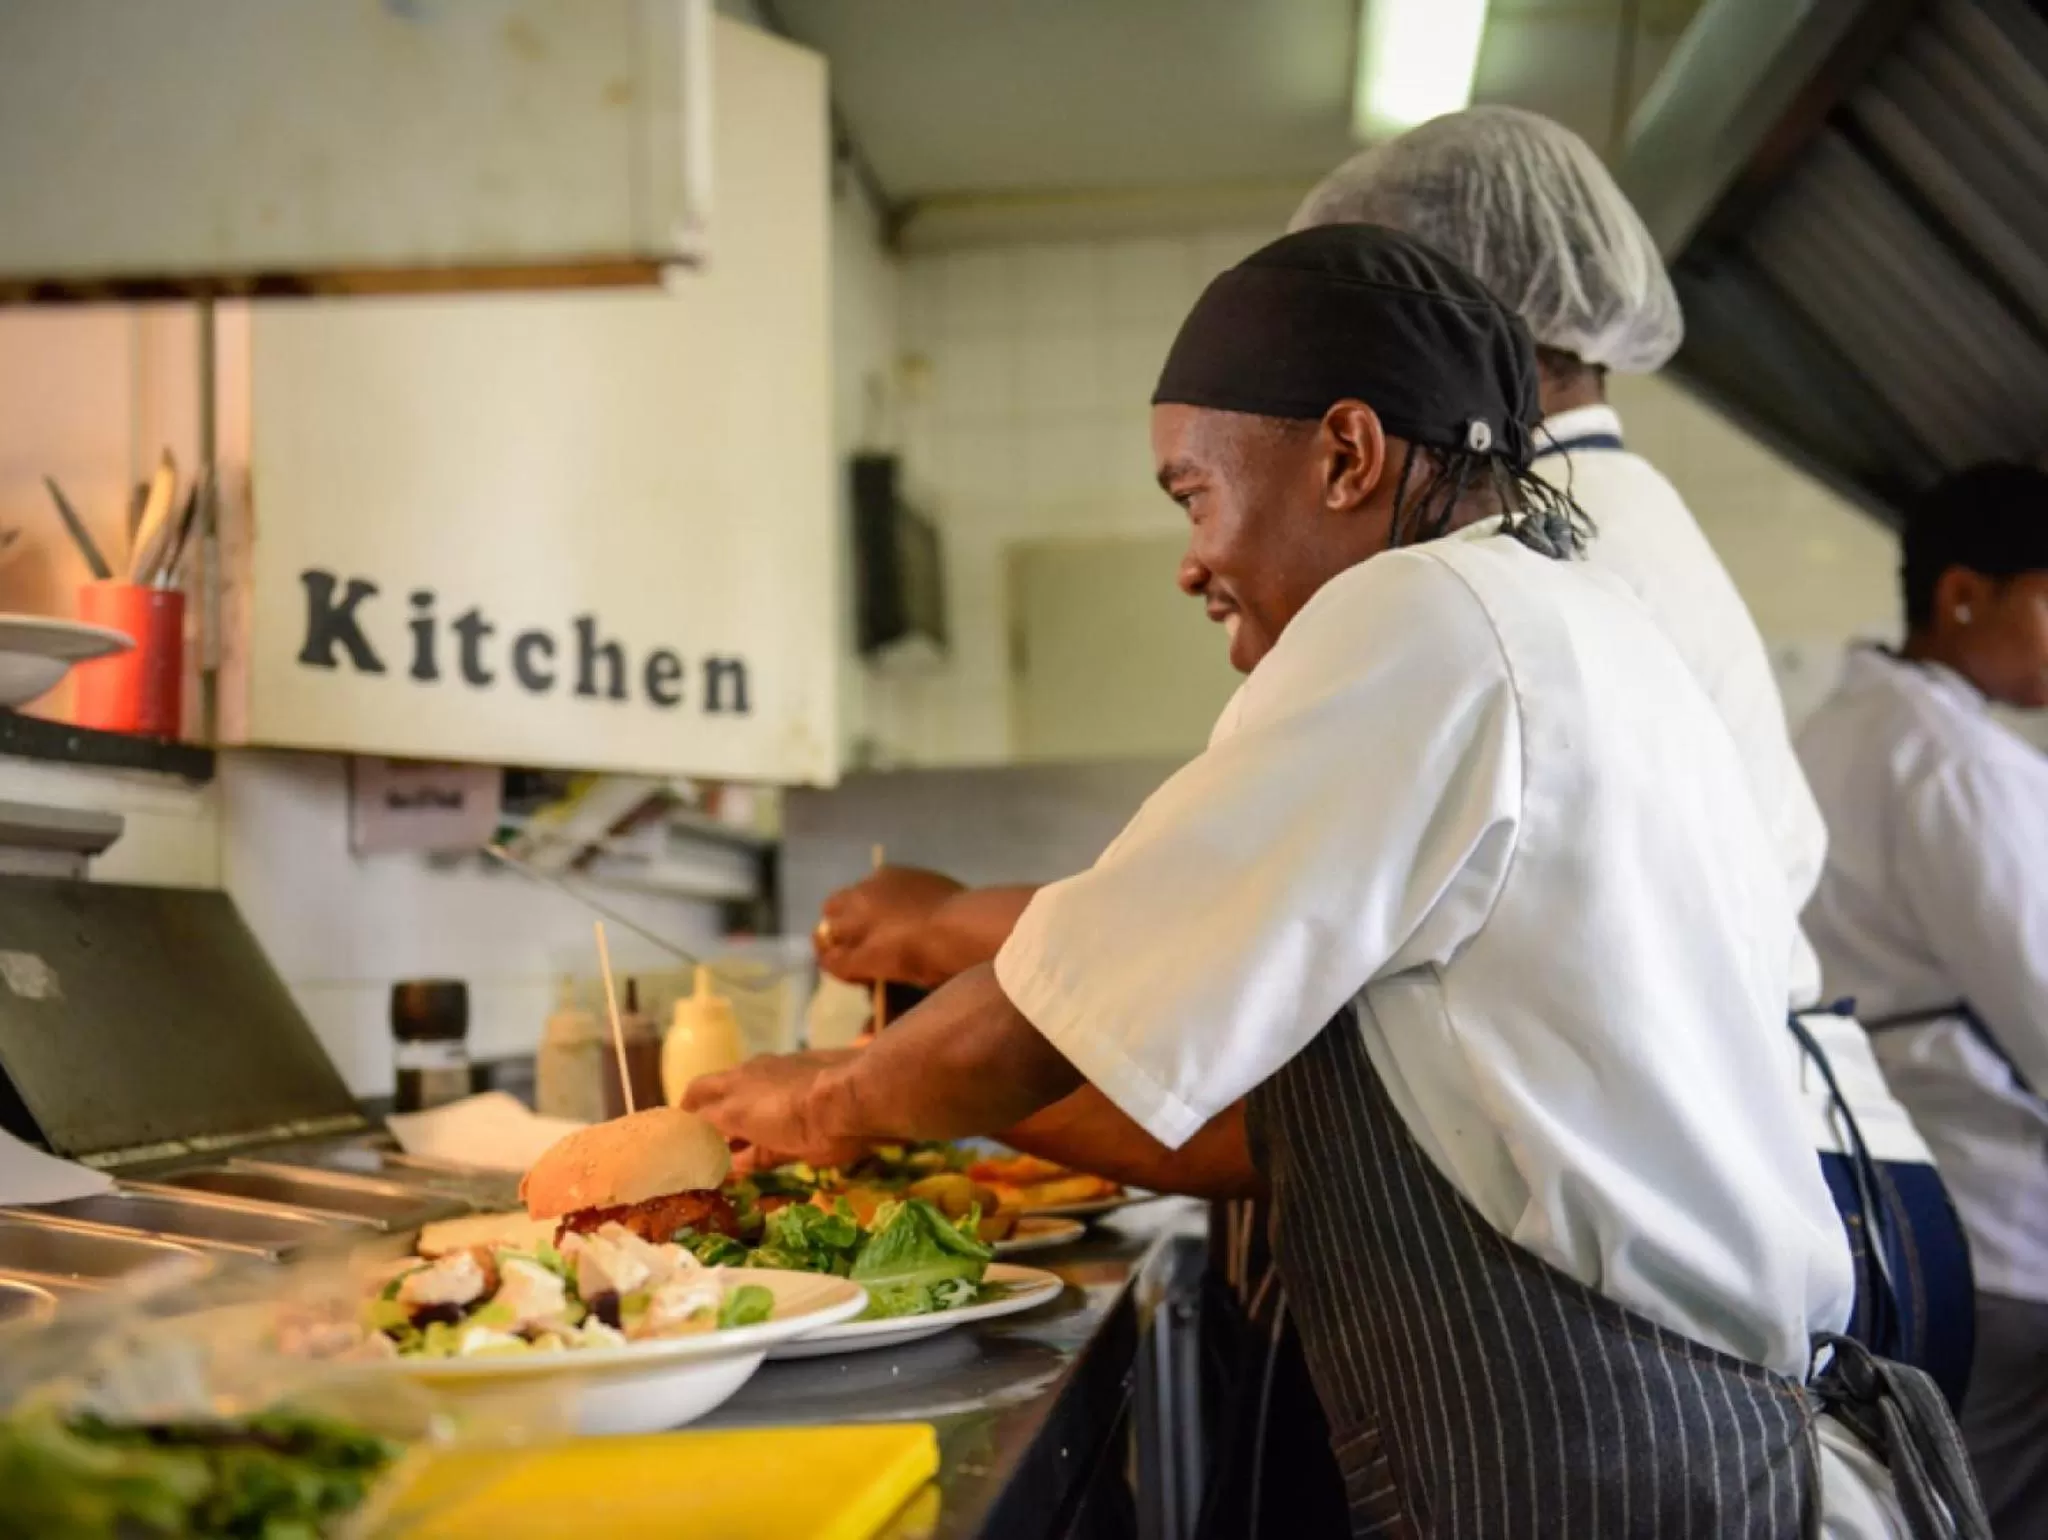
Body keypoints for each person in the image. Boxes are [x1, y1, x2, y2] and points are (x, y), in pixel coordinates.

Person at [702, 223, 1980, 1537]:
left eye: (1192, 495)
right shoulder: (1567, 617)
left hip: (1616, 1455)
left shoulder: (1425, 617)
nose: (1189, 561)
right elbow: (1228, 1098)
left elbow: (1053, 1009)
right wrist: (889, 1087)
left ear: (1348, 455)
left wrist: (820, 1104)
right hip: (1668, 1431)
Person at [1798, 462, 2048, 1539]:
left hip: (1885, 1217)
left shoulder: (1831, 730)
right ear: (1962, 595)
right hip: (1998, 1228)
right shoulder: (1951, 761)